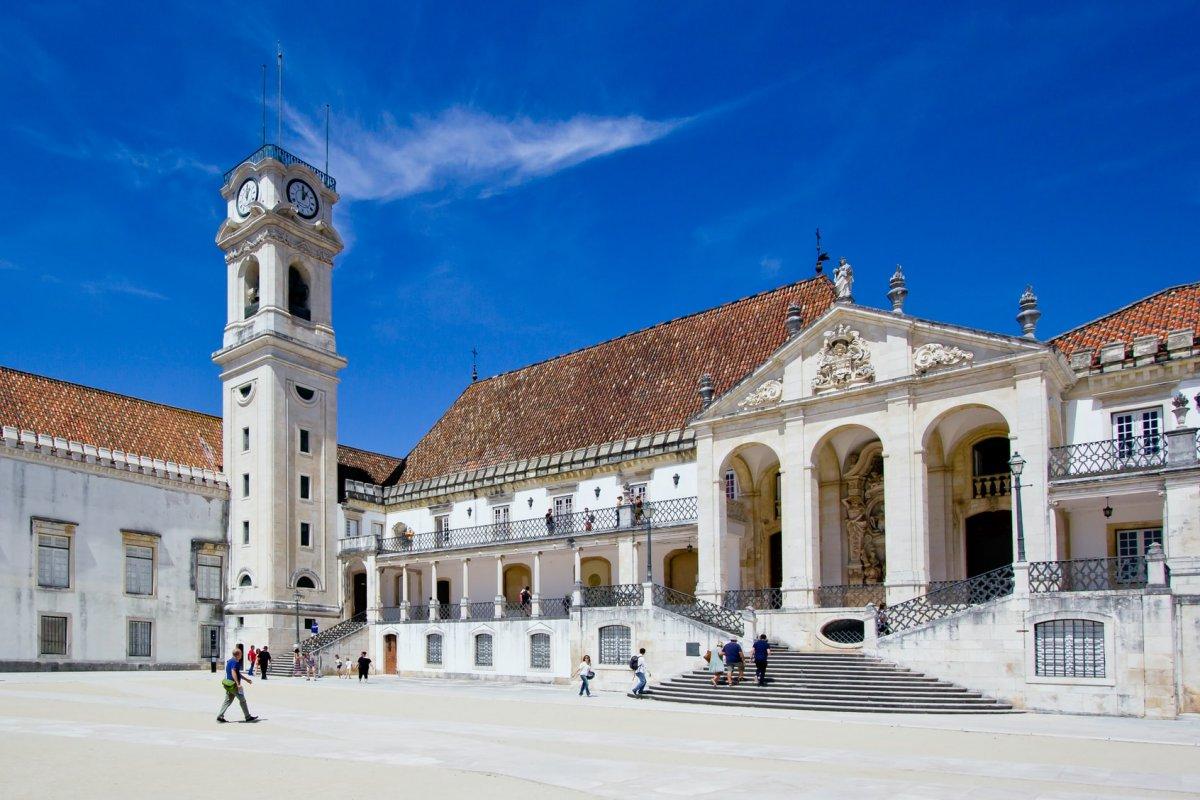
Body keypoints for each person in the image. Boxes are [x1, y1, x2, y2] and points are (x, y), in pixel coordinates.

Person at [217, 645, 259, 724]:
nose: (241, 655)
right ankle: (248, 717)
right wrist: (238, 683)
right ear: (237, 655)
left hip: (229, 684)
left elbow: (238, 673)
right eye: (241, 654)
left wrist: (246, 680)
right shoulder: (235, 662)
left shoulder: (229, 661)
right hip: (234, 685)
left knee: (227, 701)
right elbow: (233, 672)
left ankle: (220, 716)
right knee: (242, 700)